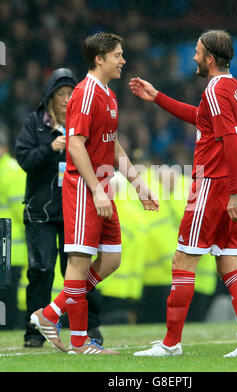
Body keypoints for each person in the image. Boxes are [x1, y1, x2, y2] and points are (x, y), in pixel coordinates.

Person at [130, 29, 237, 357]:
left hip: (214, 185)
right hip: (235, 183)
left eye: (197, 51)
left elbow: (230, 139)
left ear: (209, 58)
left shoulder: (216, 89)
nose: (193, 57)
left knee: (182, 260)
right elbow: (202, 119)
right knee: (229, 264)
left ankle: (171, 344)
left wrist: (231, 193)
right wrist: (158, 97)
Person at [29, 32, 159, 354]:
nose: (123, 60)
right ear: (99, 59)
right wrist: (96, 191)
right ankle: (80, 342)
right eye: (118, 55)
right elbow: (75, 145)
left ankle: (51, 313)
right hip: (86, 189)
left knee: (112, 259)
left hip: (103, 189)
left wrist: (139, 186)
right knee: (79, 262)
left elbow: (113, 147)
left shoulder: (109, 96)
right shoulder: (85, 94)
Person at [15, 68, 103, 347]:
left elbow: (100, 154)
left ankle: (90, 328)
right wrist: (50, 148)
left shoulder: (84, 121)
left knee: (78, 270)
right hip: (41, 212)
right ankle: (34, 332)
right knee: (40, 270)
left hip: (75, 209)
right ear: (50, 97)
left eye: (70, 94)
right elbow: (24, 159)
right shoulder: (34, 123)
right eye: (60, 94)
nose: (66, 99)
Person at [0, 125, 27, 329]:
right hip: (7, 247)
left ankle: (10, 330)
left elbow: (23, 213)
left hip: (10, 248)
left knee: (7, 299)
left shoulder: (12, 172)